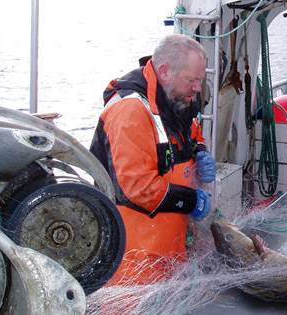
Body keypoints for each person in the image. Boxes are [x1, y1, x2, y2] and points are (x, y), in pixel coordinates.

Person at [90, 34, 216, 285]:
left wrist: (199, 149)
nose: (197, 88)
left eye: (200, 81)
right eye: (192, 80)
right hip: (134, 257)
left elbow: (190, 130)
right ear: (165, 71)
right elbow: (137, 187)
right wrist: (190, 199)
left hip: (170, 247)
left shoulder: (175, 97)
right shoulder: (130, 111)